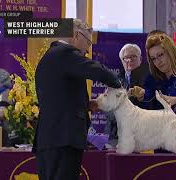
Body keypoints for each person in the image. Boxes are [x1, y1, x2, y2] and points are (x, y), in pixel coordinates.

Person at [33, 19, 121, 180]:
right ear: (75, 35)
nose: (88, 50)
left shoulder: (47, 58)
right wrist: (118, 83)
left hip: (48, 140)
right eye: (88, 42)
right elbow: (98, 71)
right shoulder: (65, 54)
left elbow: (58, 99)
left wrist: (86, 105)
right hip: (64, 140)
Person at [130, 34, 176, 154]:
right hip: (162, 143)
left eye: (160, 55)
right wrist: (142, 94)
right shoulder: (152, 79)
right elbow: (148, 97)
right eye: (153, 59)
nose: (158, 61)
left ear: (170, 52)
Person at [104, 43, 149, 148]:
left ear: (141, 59)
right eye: (126, 58)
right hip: (115, 138)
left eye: (133, 56)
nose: (129, 60)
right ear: (121, 61)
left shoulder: (149, 79)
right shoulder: (113, 82)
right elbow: (107, 110)